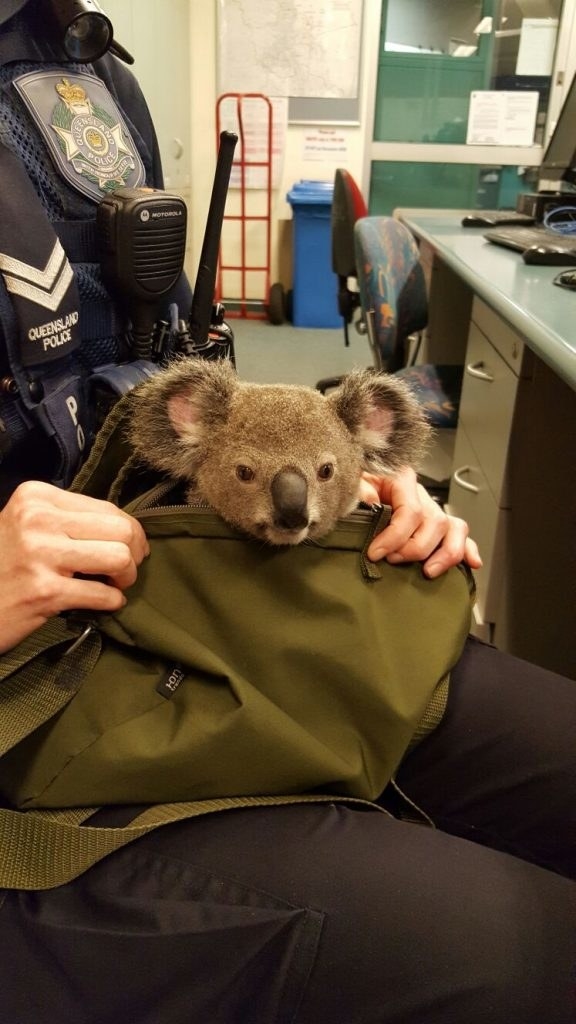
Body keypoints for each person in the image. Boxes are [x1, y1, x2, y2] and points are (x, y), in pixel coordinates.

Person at [0, 3, 574, 1023]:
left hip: (188, 590)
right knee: (518, 950)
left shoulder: (81, 64)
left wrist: (350, 478)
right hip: (44, 707)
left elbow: (153, 378)